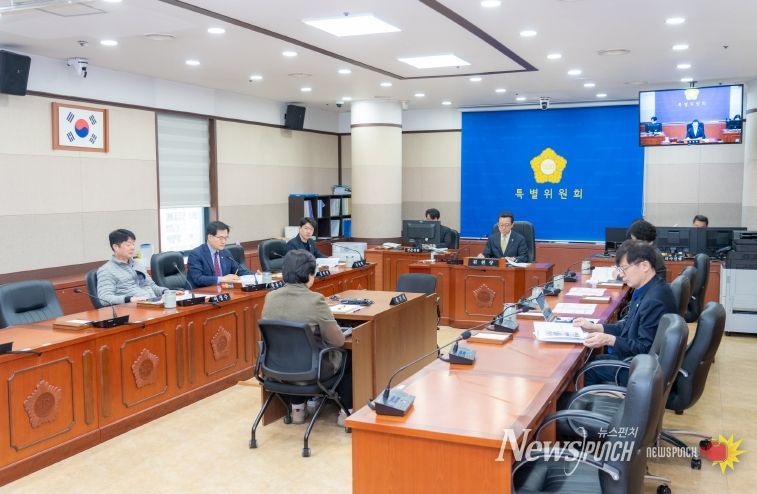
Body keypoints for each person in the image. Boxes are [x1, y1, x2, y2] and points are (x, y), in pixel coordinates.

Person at [261, 250, 351, 424]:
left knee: (293, 350)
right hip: (310, 371)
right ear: (310, 274)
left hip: (275, 368)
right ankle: (346, 413)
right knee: (349, 355)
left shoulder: (270, 297)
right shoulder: (315, 300)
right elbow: (338, 341)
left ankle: (297, 410)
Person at [572, 240, 677, 386]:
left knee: (584, 371)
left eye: (624, 268)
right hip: (636, 361)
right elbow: (627, 326)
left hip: (640, 370)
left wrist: (609, 340)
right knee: (587, 361)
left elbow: (644, 348)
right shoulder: (647, 289)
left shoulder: (654, 300)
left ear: (644, 266)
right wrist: (595, 327)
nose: (621, 275)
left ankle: (596, 400)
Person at [97, 229, 170, 305]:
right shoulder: (106, 270)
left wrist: (166, 291)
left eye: (133, 244)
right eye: (128, 245)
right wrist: (130, 299)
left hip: (153, 304)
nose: (132, 248)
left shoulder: (137, 265)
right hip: (132, 308)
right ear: (116, 247)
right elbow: (104, 298)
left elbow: (151, 286)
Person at [187, 221, 252, 288]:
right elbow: (198, 279)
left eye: (226, 238)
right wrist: (222, 279)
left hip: (222, 290)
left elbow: (239, 271)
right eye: (220, 238)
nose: (223, 241)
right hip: (201, 292)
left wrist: (256, 275)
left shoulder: (226, 253)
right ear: (210, 237)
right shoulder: (196, 254)